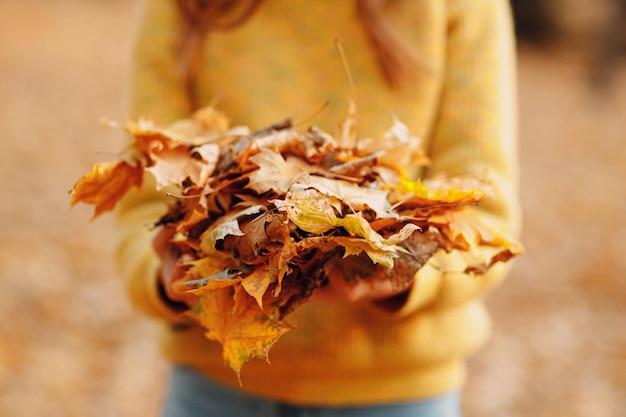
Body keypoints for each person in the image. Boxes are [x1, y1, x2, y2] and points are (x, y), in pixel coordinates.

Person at [114, 0, 521, 416]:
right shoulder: (182, 7)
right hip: (215, 390)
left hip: (397, 395)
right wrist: (167, 275)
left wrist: (400, 273)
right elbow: (145, 203)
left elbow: (484, 219)